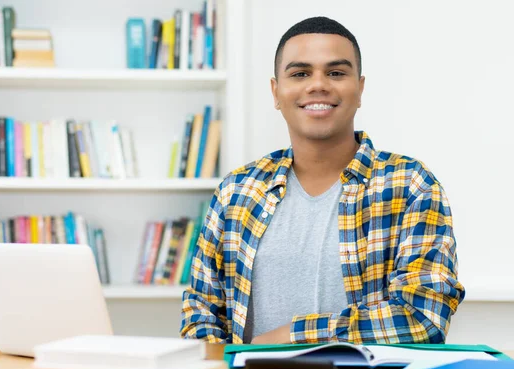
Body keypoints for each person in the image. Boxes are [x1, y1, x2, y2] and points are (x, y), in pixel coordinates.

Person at [180, 16, 465, 345]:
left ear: (359, 89)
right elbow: (200, 312)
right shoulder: (236, 191)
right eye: (300, 73)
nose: (318, 84)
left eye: (336, 73)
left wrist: (291, 335)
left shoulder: (411, 185)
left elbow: (422, 318)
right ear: (276, 92)